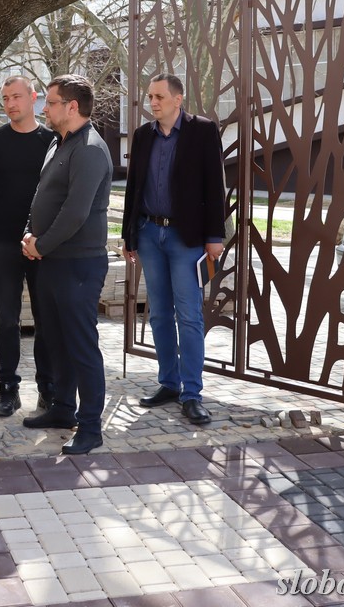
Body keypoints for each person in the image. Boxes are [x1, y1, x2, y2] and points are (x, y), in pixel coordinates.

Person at [121, 73, 228, 425]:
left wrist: (215, 235)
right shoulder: (142, 135)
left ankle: (192, 393)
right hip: (149, 234)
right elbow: (133, 186)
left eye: (159, 97)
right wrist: (128, 235)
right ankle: (168, 382)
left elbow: (214, 185)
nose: (153, 102)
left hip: (186, 238)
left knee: (189, 314)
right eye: (150, 96)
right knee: (159, 314)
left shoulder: (202, 131)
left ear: (178, 99)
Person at [20, 75, 113, 455]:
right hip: (52, 261)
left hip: (79, 265)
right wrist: (30, 234)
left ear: (72, 106)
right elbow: (42, 196)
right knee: (54, 340)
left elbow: (75, 212)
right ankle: (62, 408)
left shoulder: (90, 149)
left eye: (51, 102)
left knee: (80, 344)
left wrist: (40, 245)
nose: (44, 109)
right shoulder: (59, 143)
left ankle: (90, 427)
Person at [0, 76, 56, 417]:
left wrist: (40, 233)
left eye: (16, 97)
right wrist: (5, 219)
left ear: (34, 98)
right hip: (4, 243)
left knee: (45, 319)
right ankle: (8, 389)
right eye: (5, 98)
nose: (10, 104)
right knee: (6, 320)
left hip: (43, 244)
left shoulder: (52, 141)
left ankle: (47, 389)